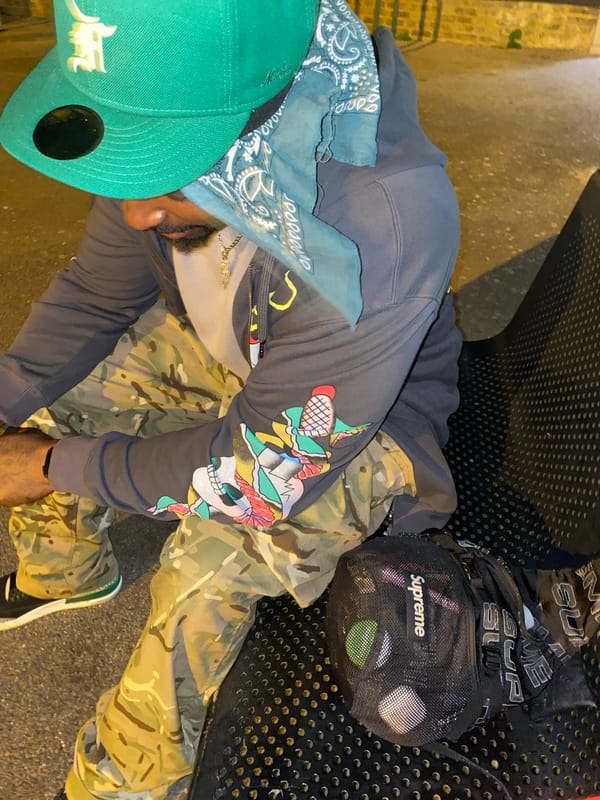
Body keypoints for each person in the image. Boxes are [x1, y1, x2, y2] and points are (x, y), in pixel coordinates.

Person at [0, 1, 462, 798]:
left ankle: (131, 780)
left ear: (261, 112)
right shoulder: (176, 157)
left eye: (172, 171)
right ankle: (66, 571)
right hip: (244, 360)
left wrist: (49, 465)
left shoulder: (384, 220)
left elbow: (255, 480)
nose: (138, 211)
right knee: (61, 389)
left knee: (208, 557)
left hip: (356, 433)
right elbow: (91, 297)